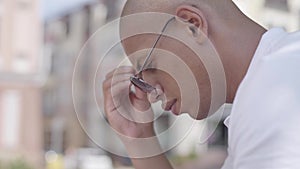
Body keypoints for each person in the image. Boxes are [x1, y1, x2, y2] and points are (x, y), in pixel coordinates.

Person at [102, 0, 300, 168]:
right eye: (141, 80)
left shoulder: (274, 96)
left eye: (150, 66)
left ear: (192, 25)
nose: (152, 95)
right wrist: (138, 138)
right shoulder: (273, 79)